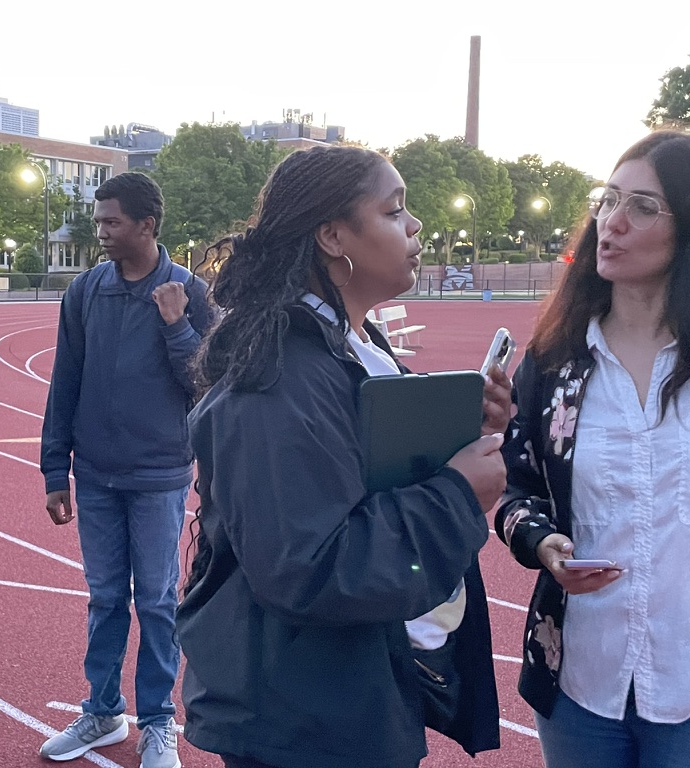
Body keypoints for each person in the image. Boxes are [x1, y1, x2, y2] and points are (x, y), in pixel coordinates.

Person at [175, 145, 510, 768]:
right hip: (300, 720)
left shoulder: (352, 347)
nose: (415, 225)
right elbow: (308, 566)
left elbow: (369, 484)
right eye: (394, 210)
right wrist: (459, 495)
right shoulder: (280, 378)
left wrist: (465, 434)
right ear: (333, 236)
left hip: (341, 693)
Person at [495, 127, 690, 768]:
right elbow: (513, 486)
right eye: (608, 200)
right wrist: (542, 543)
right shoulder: (554, 361)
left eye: (643, 207)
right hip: (582, 680)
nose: (611, 222)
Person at [39, 172, 213, 767]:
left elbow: (206, 385)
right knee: (106, 598)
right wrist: (53, 472)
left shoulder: (189, 291)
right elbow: (64, 381)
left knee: (158, 602)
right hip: (94, 474)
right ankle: (103, 711)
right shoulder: (86, 290)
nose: (101, 232)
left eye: (111, 222)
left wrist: (176, 324)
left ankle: (158, 721)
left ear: (147, 225)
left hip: (159, 474)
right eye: (99, 222)